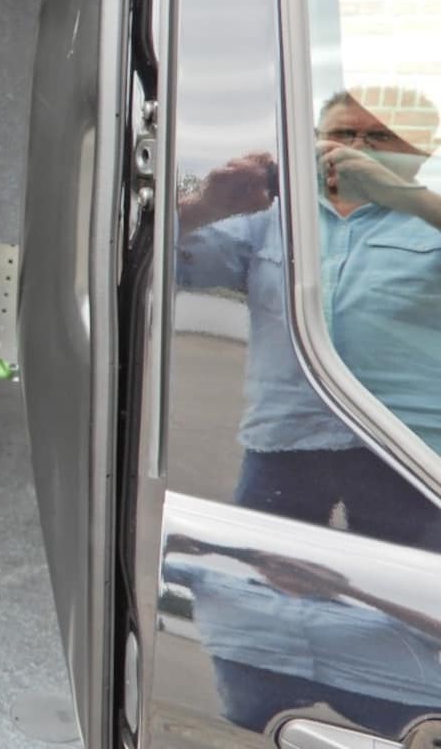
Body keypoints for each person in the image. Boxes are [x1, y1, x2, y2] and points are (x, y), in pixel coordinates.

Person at [177, 87, 441, 542]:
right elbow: (171, 266)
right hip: (284, 444)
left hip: (406, 450)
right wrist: (208, 205)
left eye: (381, 137)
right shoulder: (270, 218)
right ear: (313, 141)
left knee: (408, 583)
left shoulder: (429, 219)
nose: (357, 148)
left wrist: (406, 197)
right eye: (343, 133)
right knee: (259, 573)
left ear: (421, 154)